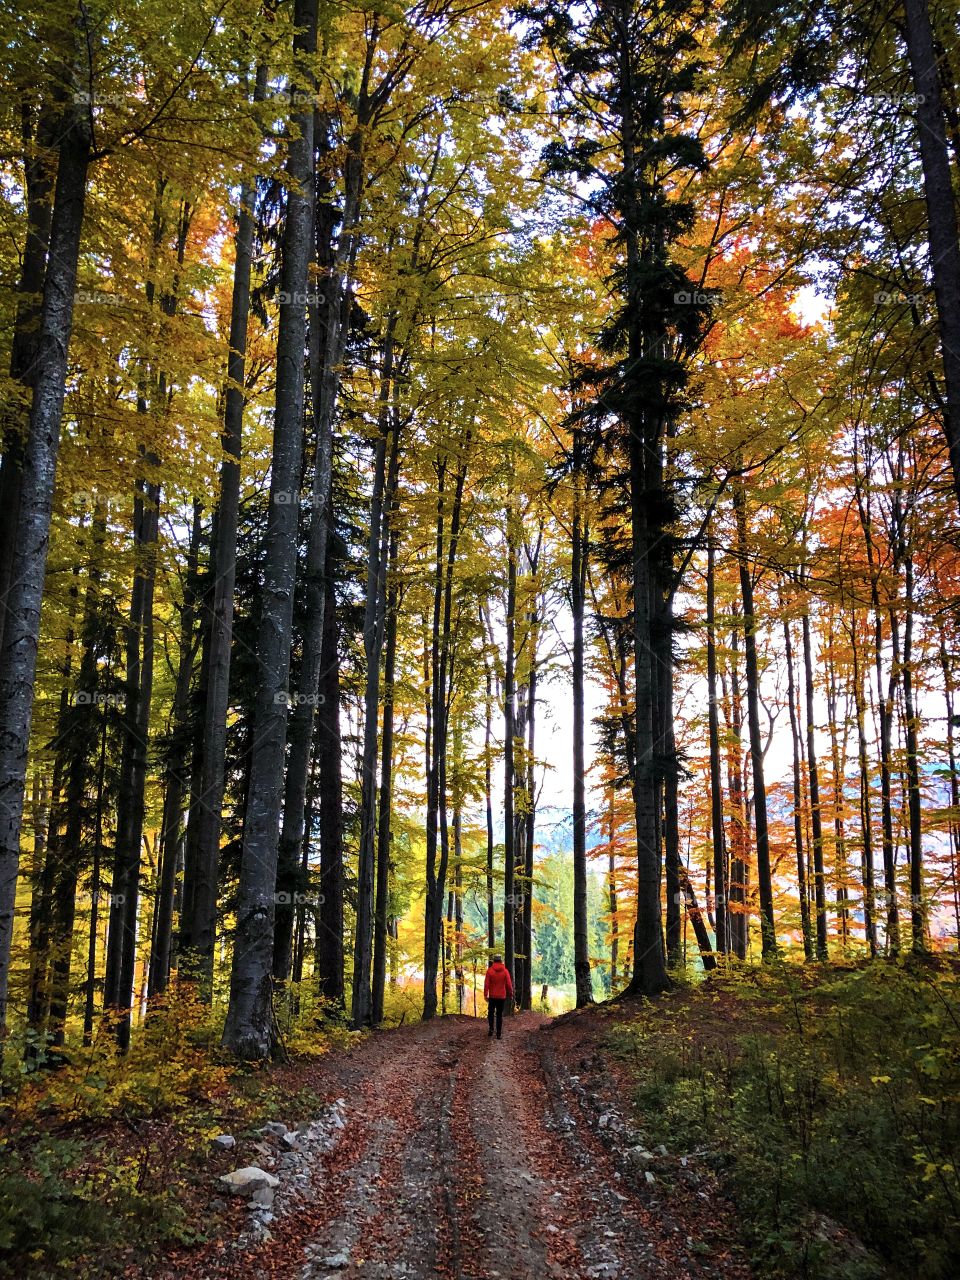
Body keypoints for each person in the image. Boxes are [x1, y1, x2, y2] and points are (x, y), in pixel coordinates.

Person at [483, 954, 513, 1039]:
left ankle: (491, 1029)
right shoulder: (505, 971)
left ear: (493, 961)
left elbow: (486, 984)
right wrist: (510, 994)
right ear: (501, 961)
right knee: (499, 1015)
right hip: (501, 997)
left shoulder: (490, 971)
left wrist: (485, 994)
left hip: (492, 996)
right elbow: (509, 985)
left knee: (490, 1013)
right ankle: (498, 1034)